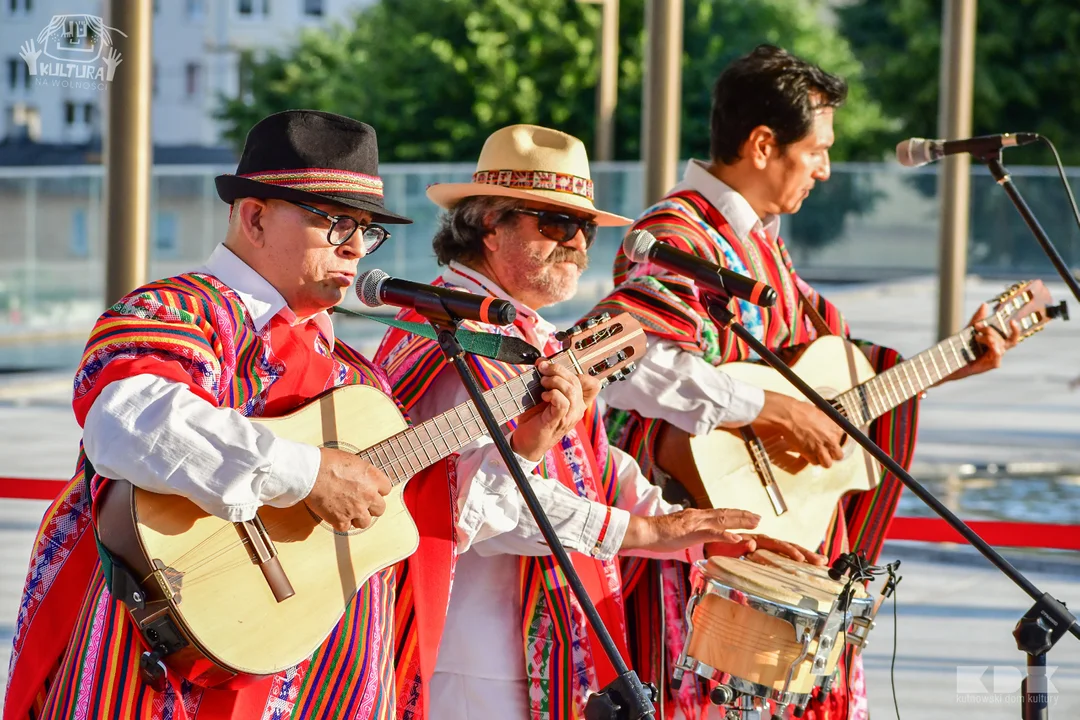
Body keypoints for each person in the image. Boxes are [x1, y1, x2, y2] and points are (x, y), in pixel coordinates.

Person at [5, 110, 538, 720]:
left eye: (366, 230)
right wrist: (304, 473)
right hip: (167, 673)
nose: (356, 248)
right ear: (254, 216)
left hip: (320, 682)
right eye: (337, 223)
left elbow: (413, 524)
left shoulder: (357, 376)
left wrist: (526, 441)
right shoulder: (175, 310)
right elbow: (132, 420)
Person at [592, 45, 1020, 719]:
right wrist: (769, 410)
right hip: (694, 558)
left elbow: (832, 392)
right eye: (817, 150)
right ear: (763, 144)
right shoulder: (676, 236)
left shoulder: (762, 247)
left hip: (760, 556)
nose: (824, 167)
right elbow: (628, 363)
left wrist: (951, 362)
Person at [374, 124, 822, 720]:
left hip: (523, 651)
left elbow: (587, 463)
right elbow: (478, 513)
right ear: (489, 223)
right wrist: (646, 534)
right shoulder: (453, 337)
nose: (579, 246)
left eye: (585, 229)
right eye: (556, 225)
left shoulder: (526, 333)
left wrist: (692, 527)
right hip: (473, 657)